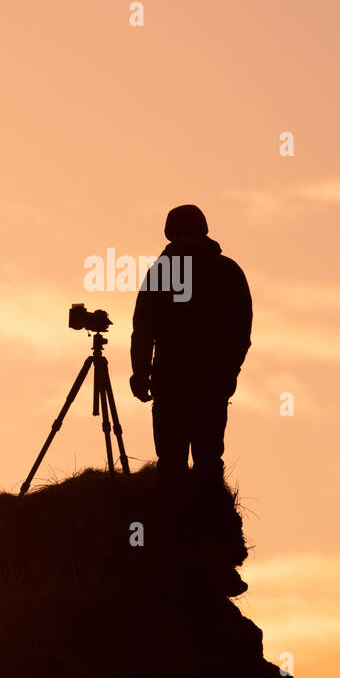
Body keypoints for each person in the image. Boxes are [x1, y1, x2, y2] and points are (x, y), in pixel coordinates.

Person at [129, 204, 251, 483]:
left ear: (201, 233)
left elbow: (240, 332)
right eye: (179, 235)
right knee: (171, 465)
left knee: (207, 463)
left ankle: (207, 521)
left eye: (190, 233)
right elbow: (144, 328)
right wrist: (140, 372)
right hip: (169, 385)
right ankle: (175, 521)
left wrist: (227, 374)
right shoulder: (161, 274)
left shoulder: (227, 273)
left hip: (210, 387)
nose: (185, 240)